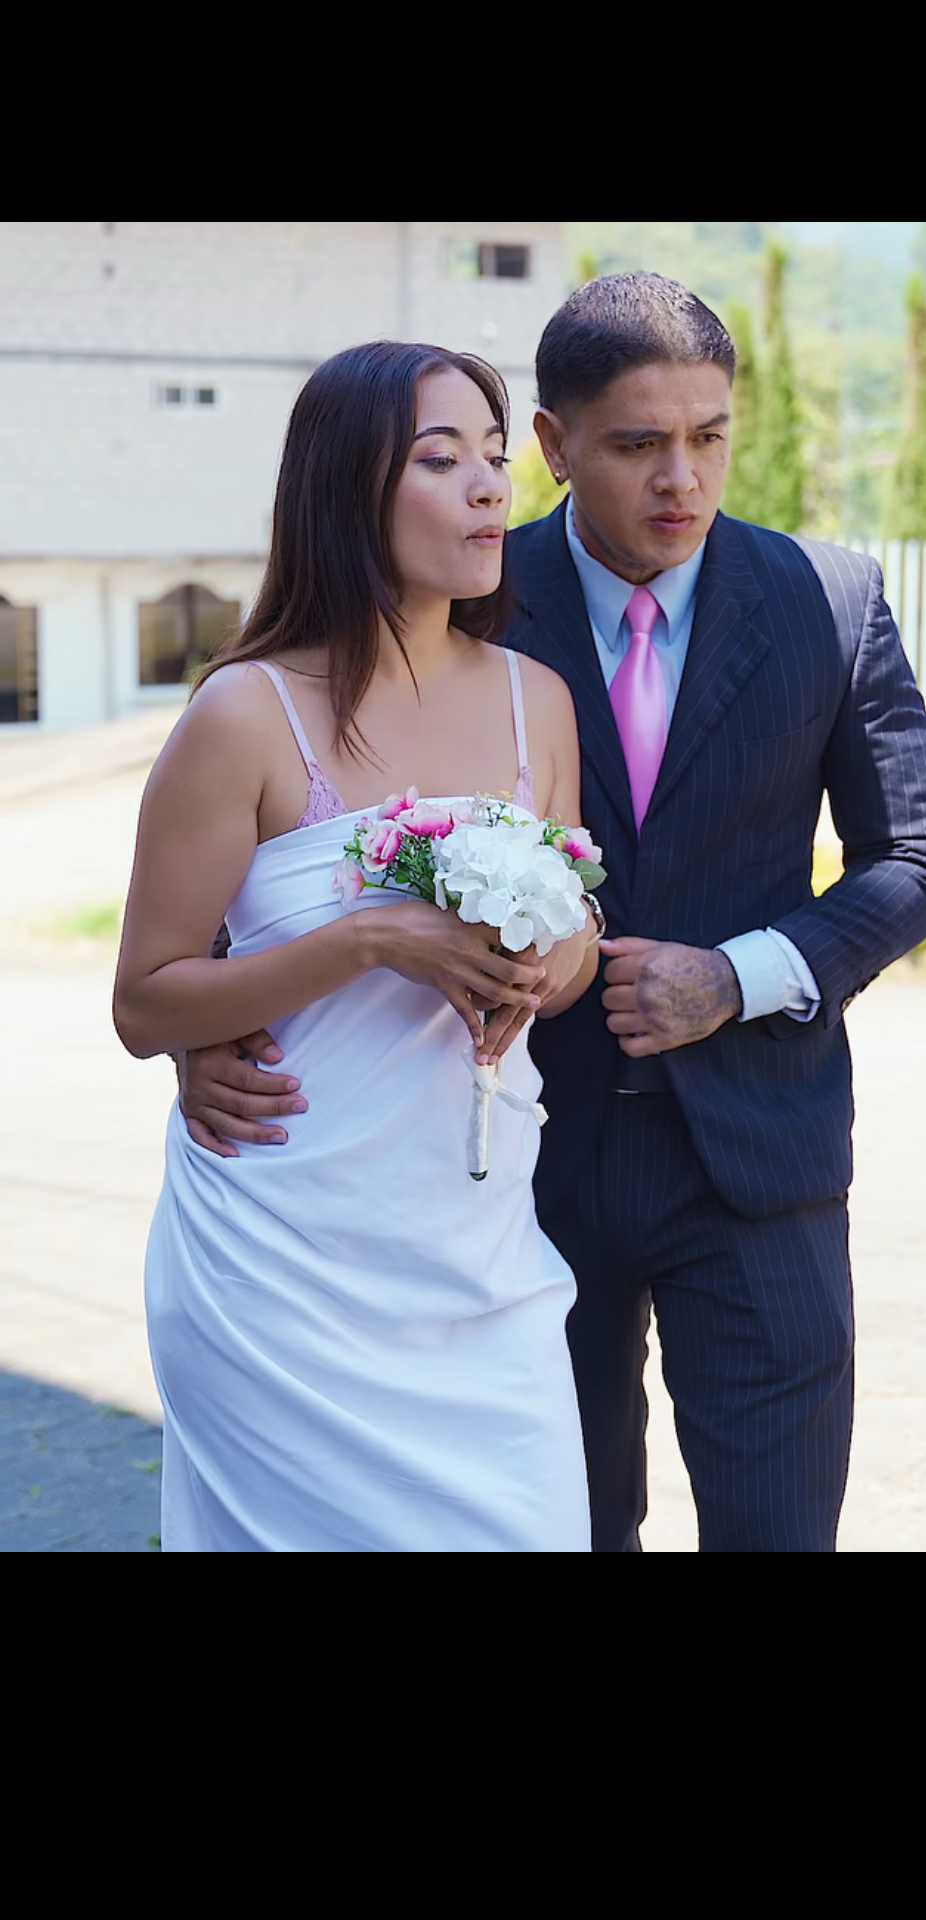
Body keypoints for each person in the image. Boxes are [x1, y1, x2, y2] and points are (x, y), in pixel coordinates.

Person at [179, 275, 926, 1553]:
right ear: (552, 445)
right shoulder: (456, 587)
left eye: (710, 436)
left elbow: (918, 853)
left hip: (759, 1162)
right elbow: (296, 833)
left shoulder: (832, 599)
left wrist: (743, 973)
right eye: (639, 444)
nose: (683, 480)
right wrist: (210, 1031)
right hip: (512, 1183)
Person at [113, 340, 603, 1552]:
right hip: (281, 1264)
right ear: (347, 488)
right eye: (443, 460)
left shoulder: (533, 698)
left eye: (495, 459)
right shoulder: (245, 712)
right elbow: (146, 1002)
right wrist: (372, 938)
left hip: (480, 1253)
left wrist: (555, 967)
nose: (492, 487)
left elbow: (583, 922)